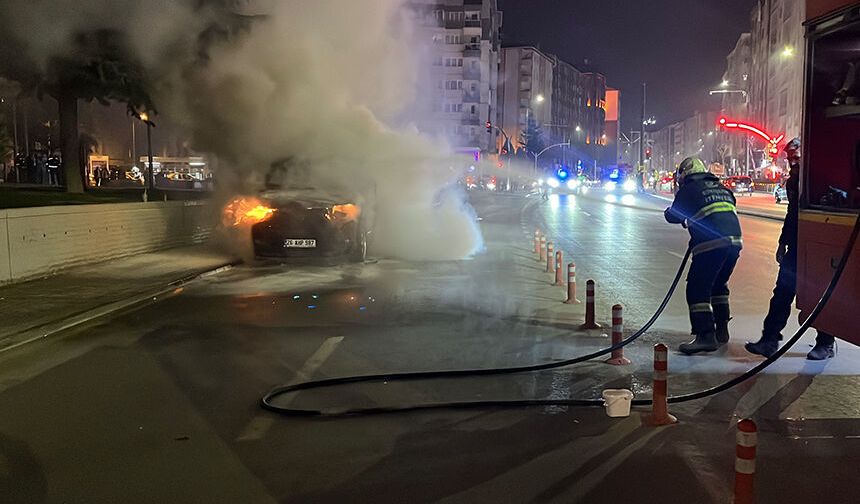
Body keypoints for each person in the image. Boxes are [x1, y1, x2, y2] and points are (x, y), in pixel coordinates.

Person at [746, 139, 835, 360]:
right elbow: (792, 214)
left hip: (818, 244)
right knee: (783, 291)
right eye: (789, 159)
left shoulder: (821, 177)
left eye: (795, 158)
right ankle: (769, 340)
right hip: (797, 245)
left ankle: (825, 343)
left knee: (819, 293)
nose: (791, 162)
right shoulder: (794, 180)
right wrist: (783, 242)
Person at [664, 157, 743, 354]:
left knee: (698, 287)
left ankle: (705, 335)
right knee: (718, 284)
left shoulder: (689, 189)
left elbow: (673, 216)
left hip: (711, 243)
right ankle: (722, 331)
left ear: (684, 174)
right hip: (735, 241)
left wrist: (671, 209)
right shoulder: (721, 187)